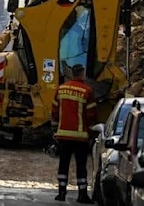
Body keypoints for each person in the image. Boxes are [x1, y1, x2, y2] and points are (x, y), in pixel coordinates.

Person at [51, 64, 96, 204]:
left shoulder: (61, 88)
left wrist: (57, 127)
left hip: (63, 135)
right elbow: (91, 114)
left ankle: (61, 193)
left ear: (72, 74)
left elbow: (54, 111)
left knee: (63, 164)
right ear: (82, 74)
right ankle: (82, 195)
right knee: (81, 166)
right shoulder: (87, 90)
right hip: (80, 136)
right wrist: (91, 131)